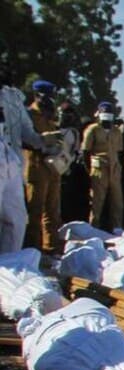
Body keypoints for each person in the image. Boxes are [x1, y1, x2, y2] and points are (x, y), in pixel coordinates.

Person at [0, 59, 41, 252]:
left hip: (11, 160)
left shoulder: (14, 97)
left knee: (16, 218)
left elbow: (27, 132)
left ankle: (10, 263)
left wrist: (45, 141)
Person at [24, 80, 60, 250]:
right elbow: (24, 140)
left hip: (52, 167)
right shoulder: (28, 115)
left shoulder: (50, 115)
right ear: (37, 95)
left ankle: (51, 246)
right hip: (36, 167)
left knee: (52, 210)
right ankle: (34, 249)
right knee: (35, 210)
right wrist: (43, 142)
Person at [81, 102, 124, 231]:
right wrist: (89, 170)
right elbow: (85, 151)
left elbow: (119, 151)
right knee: (97, 201)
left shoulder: (116, 131)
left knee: (117, 201)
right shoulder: (92, 130)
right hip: (99, 168)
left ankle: (117, 227)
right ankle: (94, 227)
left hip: (114, 168)